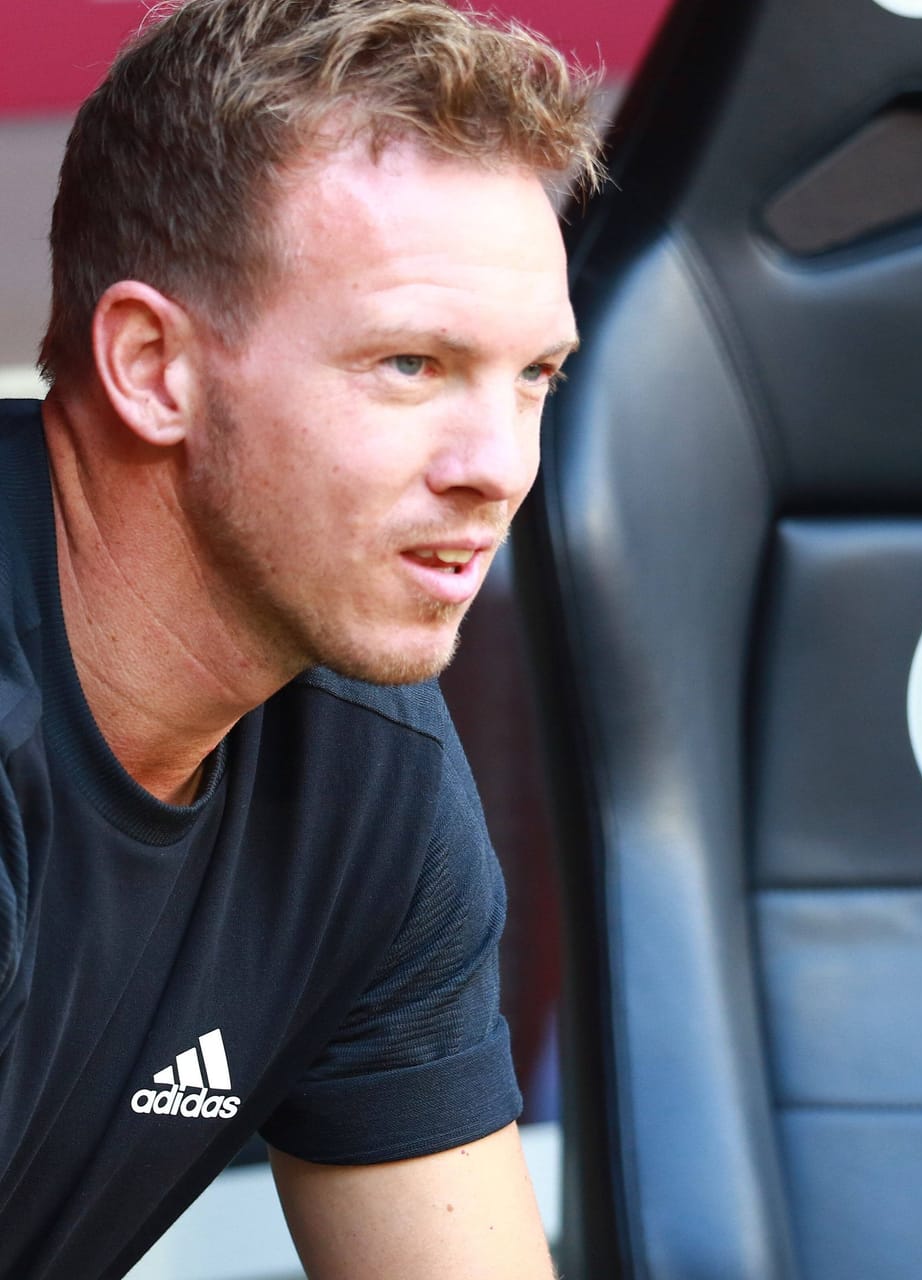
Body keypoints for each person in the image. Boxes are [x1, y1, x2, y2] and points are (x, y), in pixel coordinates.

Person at [0, 1, 601, 1275]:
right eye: (410, 363)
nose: (500, 467)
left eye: (537, 375)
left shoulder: (361, 765)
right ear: (153, 365)